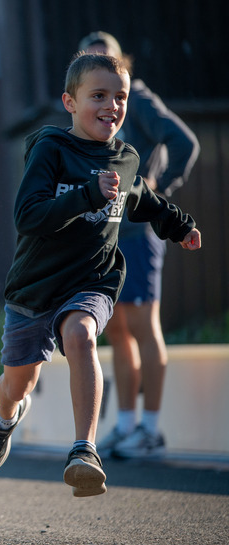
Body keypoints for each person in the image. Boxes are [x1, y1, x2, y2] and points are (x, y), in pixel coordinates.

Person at [0, 52, 201, 498]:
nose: (111, 106)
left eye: (120, 97)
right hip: (36, 285)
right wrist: (86, 195)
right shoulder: (50, 148)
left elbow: (145, 201)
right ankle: (3, 418)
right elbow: (28, 215)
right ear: (70, 102)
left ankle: (84, 450)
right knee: (20, 382)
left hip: (92, 280)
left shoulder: (126, 158)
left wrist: (178, 226)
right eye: (98, 95)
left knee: (81, 335)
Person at [78, 32, 201, 460]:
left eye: (107, 63)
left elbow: (186, 142)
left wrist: (158, 189)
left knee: (146, 328)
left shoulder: (140, 101)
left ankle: (151, 429)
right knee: (117, 331)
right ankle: (126, 426)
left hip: (141, 232)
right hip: (108, 235)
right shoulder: (86, 113)